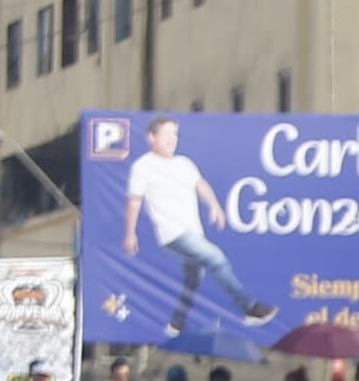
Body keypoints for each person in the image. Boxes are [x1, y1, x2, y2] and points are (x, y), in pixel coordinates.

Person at [114, 116, 277, 335]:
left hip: (193, 231)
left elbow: (201, 185)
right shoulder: (143, 167)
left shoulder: (184, 163)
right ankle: (250, 307)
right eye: (167, 134)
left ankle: (176, 323)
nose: (172, 139)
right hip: (173, 233)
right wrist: (130, 233)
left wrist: (214, 207)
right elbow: (134, 201)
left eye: (175, 134)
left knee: (194, 278)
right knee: (216, 258)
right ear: (152, 137)